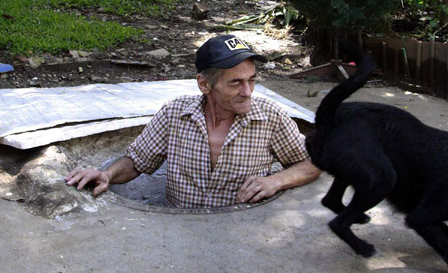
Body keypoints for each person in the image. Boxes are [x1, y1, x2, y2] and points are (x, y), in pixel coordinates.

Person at [66, 34, 321, 208]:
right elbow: (136, 161)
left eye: (251, 80)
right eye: (236, 83)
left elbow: (314, 162)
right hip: (177, 232)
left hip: (239, 233)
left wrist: (275, 181)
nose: (248, 92)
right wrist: (106, 174)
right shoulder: (175, 114)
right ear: (204, 84)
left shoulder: (270, 117)